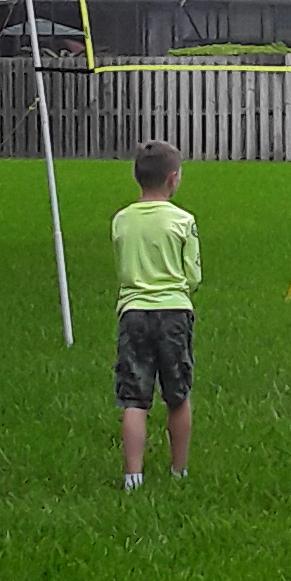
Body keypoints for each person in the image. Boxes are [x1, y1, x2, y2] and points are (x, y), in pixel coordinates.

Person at [113, 139, 201, 491]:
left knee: (134, 398)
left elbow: (122, 266)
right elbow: (193, 275)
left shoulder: (121, 220)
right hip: (174, 313)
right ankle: (179, 470)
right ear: (173, 178)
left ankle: (133, 476)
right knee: (177, 394)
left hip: (133, 312)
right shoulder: (183, 221)